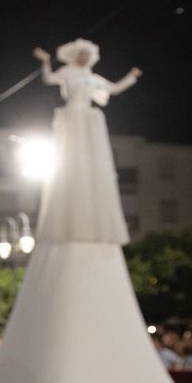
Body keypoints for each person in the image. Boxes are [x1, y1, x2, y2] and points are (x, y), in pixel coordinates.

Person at [32, 39, 141, 245]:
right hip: (71, 115)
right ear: (75, 56)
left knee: (92, 156)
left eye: (87, 55)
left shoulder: (93, 78)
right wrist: (46, 61)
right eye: (81, 54)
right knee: (70, 155)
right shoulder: (67, 73)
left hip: (88, 118)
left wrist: (131, 77)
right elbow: (49, 78)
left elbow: (115, 88)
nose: (84, 58)